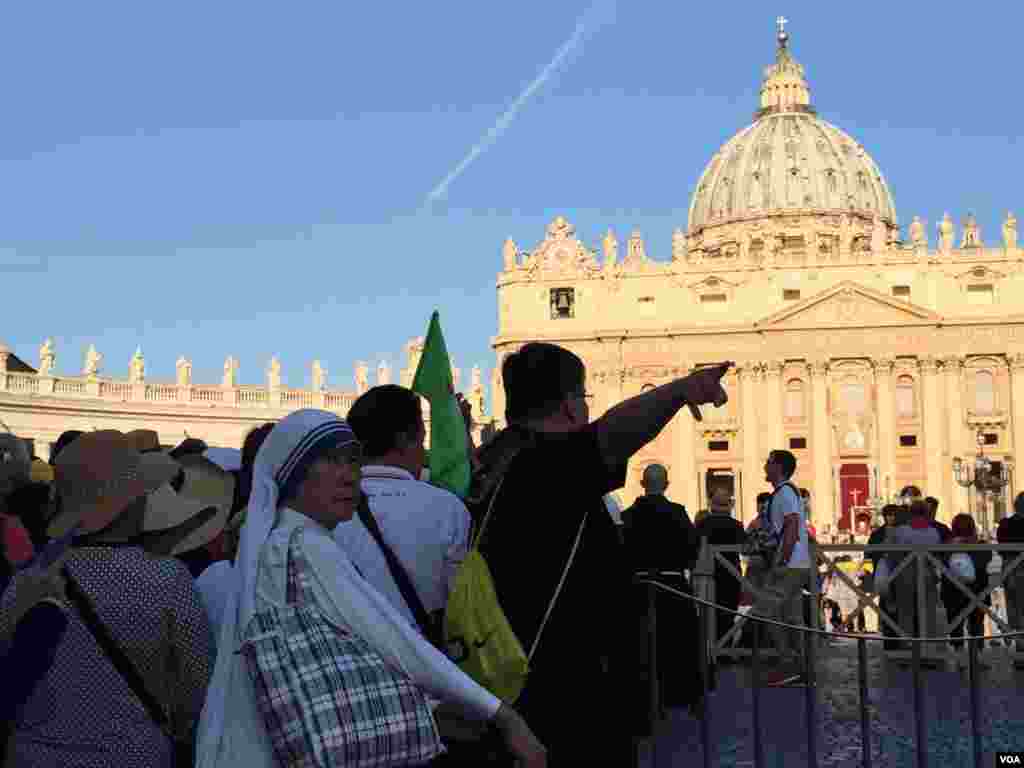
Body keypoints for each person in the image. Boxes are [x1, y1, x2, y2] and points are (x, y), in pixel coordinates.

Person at [195, 409, 547, 768]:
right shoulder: (304, 545)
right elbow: (396, 642)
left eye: (353, 461)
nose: (350, 477)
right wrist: (501, 713)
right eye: (331, 462)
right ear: (292, 477)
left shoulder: (283, 541)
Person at [474, 343, 730, 764]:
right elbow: (615, 433)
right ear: (571, 407)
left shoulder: (492, 459)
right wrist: (683, 390)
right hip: (565, 692)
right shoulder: (545, 462)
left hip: (502, 677)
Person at [0, 430, 213, 768]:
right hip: (132, 756)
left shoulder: (28, 579)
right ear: (128, 503)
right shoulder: (168, 579)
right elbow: (195, 688)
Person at [338, 385, 471, 640]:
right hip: (429, 666)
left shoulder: (325, 507)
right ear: (404, 440)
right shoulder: (448, 508)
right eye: (422, 441)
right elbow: (461, 608)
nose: (424, 452)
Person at [621, 463, 704, 711]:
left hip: (638, 586)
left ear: (642, 484)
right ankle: (682, 694)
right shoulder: (678, 513)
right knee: (680, 642)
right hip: (673, 585)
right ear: (666, 485)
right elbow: (693, 548)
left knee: (639, 644)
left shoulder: (628, 515)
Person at [751, 449, 810, 686]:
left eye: (769, 462)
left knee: (766, 611)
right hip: (798, 564)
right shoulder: (787, 492)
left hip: (789, 564)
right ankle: (802, 669)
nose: (765, 465)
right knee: (792, 617)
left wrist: (781, 561)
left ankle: (788, 664)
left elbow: (792, 525)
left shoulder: (784, 493)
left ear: (778, 467)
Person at [695, 488, 746, 650]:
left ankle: (709, 651)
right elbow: (746, 549)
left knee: (708, 615)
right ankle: (725, 649)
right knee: (728, 614)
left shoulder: (703, 524)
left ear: (711, 504)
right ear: (730, 506)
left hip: (708, 576)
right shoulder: (737, 525)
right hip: (731, 576)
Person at [887, 500, 942, 648]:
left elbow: (893, 555)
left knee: (906, 612)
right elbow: (936, 555)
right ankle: (929, 644)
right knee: (928, 611)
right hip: (927, 574)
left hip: (905, 575)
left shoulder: (901, 531)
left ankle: (907, 645)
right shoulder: (933, 532)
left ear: (910, 514)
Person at [944, 513, 992, 666]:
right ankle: (978, 655)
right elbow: (986, 560)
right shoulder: (982, 545)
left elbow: (941, 562)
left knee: (956, 622)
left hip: (953, 591)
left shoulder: (946, 546)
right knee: (977, 622)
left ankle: (959, 657)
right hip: (978, 589)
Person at [869, 504, 900, 648]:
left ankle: (899, 639)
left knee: (899, 607)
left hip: (900, 574)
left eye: (893, 514)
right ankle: (888, 641)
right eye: (888, 515)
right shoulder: (877, 534)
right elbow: (869, 552)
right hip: (883, 573)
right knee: (886, 605)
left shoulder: (902, 532)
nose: (891, 517)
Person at [997, 492, 1024, 657]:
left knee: (1013, 605)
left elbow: (1001, 546)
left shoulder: (1005, 524)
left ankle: (1019, 641)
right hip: (1017, 566)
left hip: (1010, 567)